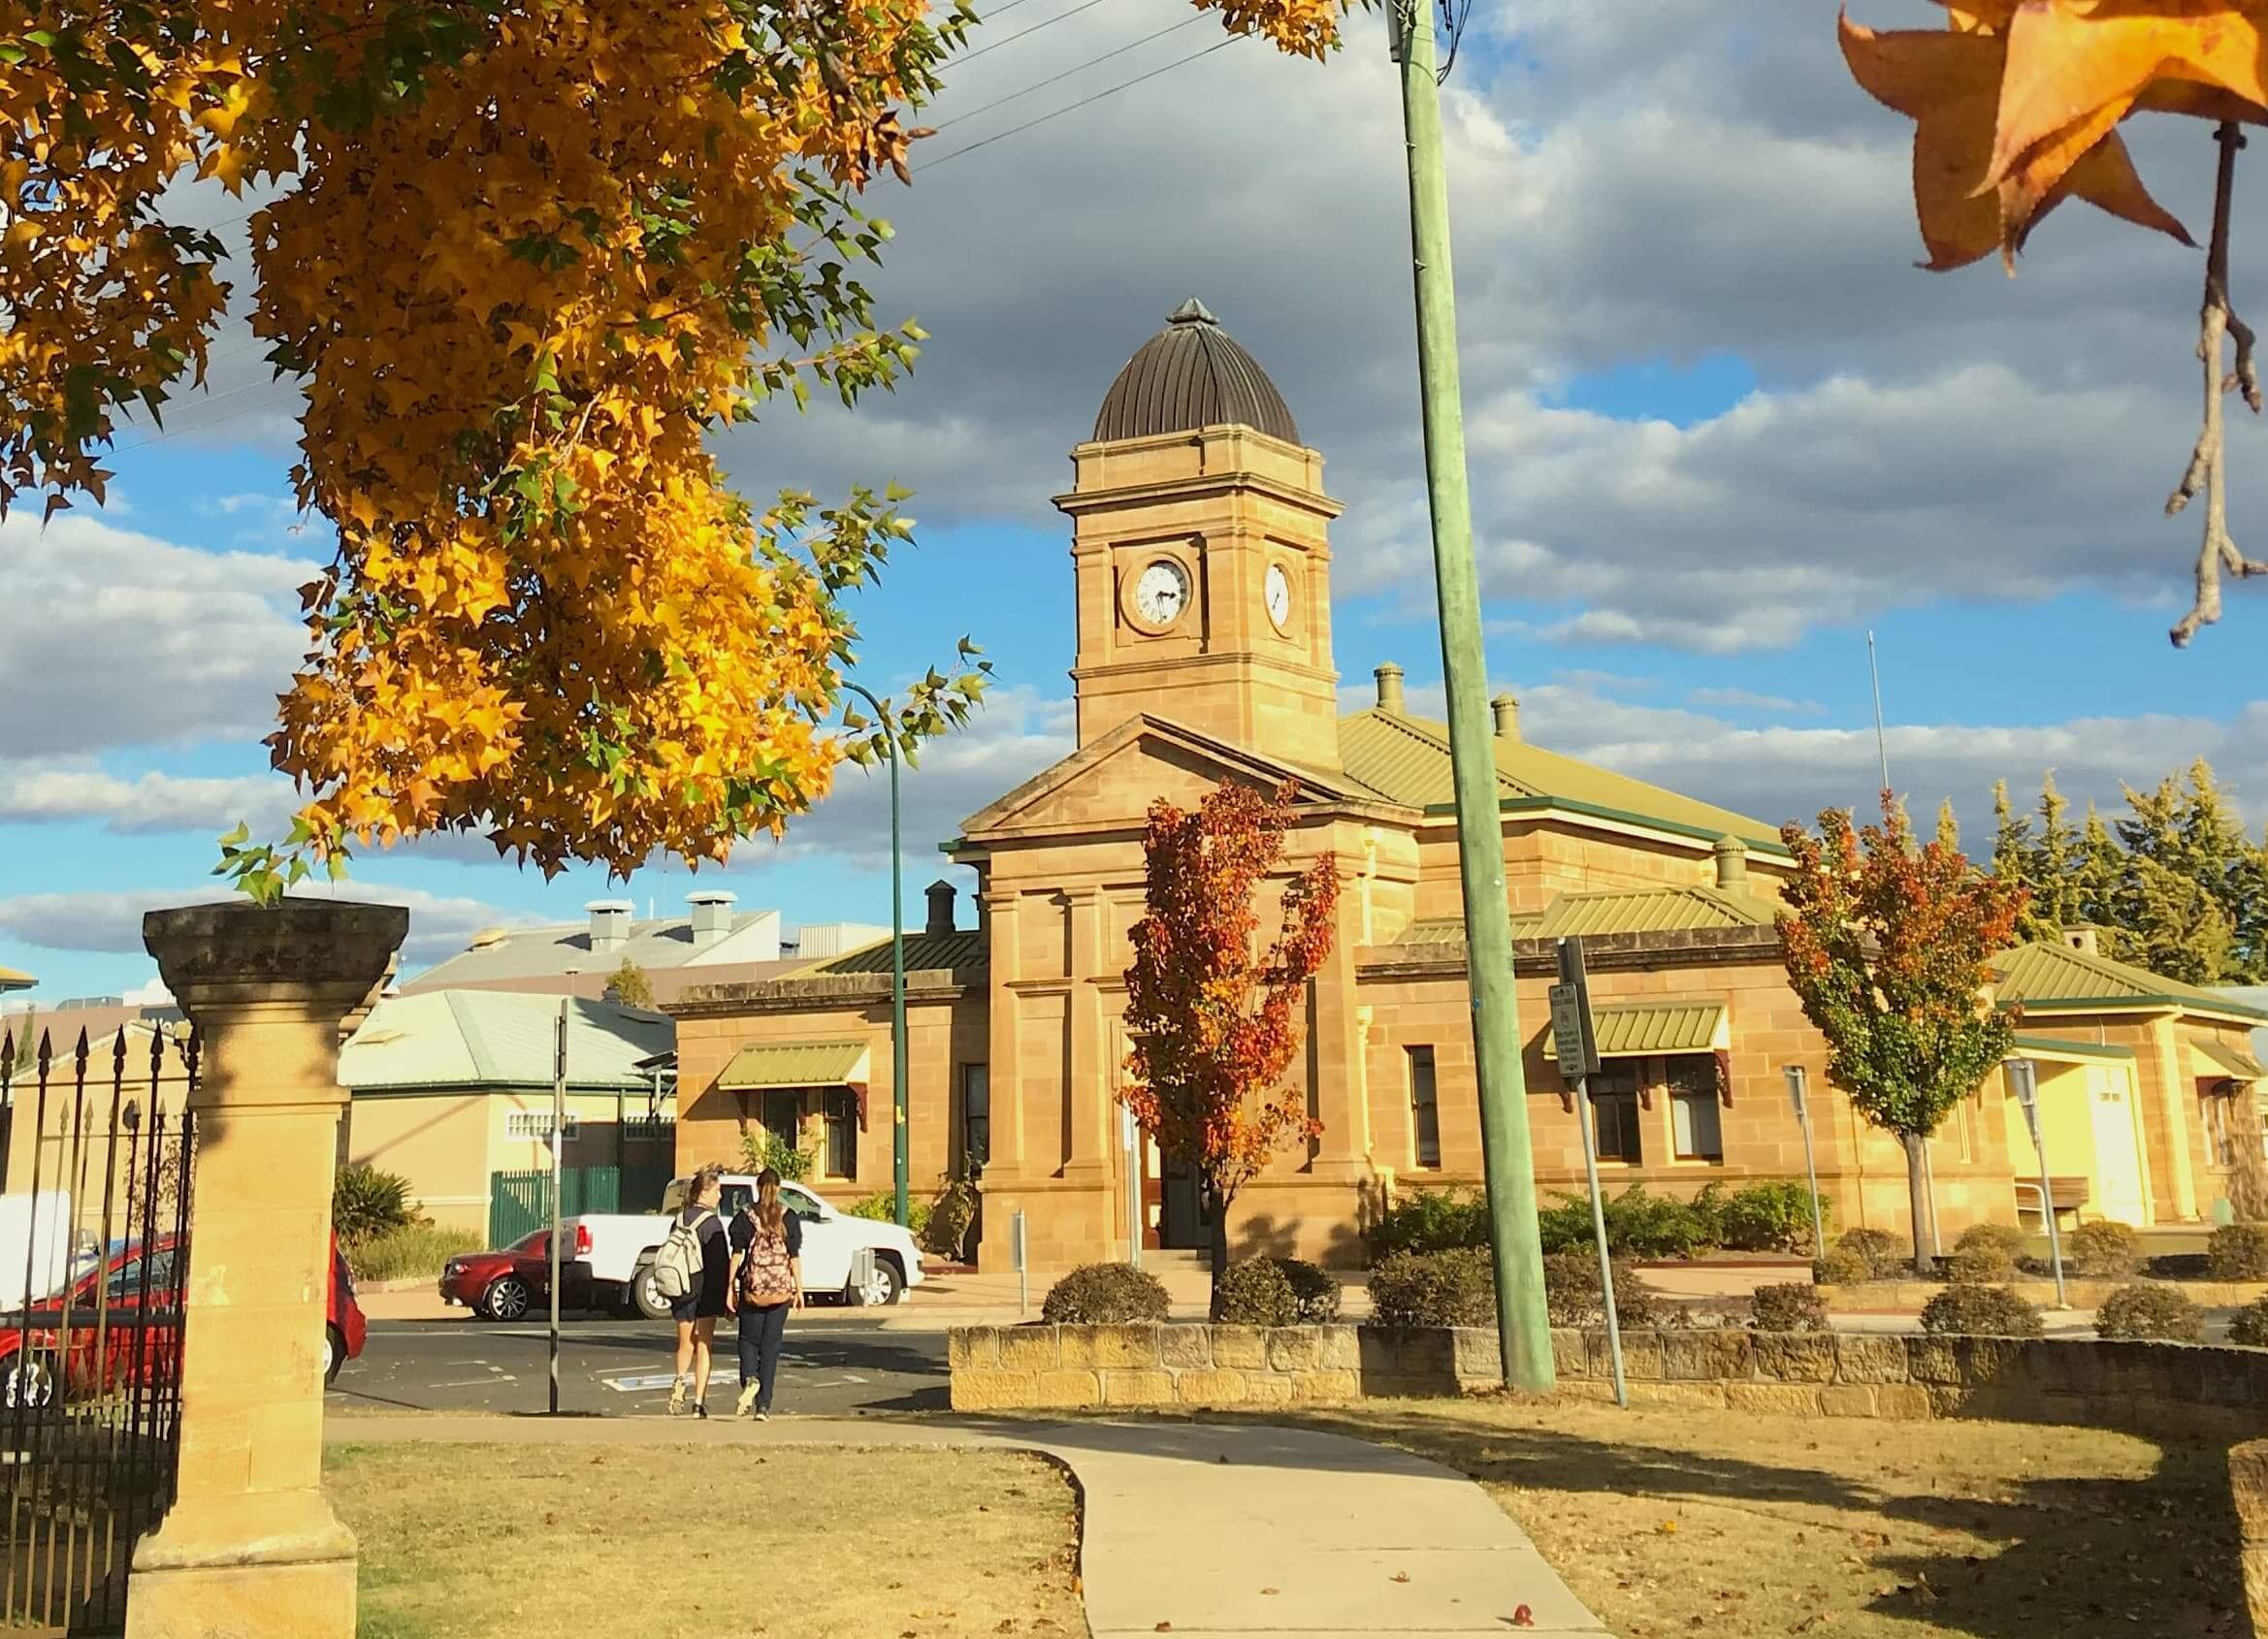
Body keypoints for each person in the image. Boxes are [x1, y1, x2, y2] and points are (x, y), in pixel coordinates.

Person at [728, 1167, 803, 1420]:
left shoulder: (745, 1218)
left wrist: (730, 1288)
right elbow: (794, 1256)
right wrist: (799, 1289)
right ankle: (763, 1406)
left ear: (757, 1188)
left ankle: (750, 1377)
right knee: (771, 1347)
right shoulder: (788, 1217)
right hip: (780, 1293)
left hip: (753, 1291)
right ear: (779, 1188)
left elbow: (737, 1255)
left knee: (748, 1340)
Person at [666, 1165, 730, 1418]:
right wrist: (725, 1296)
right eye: (717, 1190)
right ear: (705, 1192)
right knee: (704, 1344)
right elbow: (719, 1263)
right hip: (704, 1290)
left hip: (681, 1288)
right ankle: (698, 1402)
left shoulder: (679, 1219)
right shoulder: (711, 1222)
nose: (720, 1196)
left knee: (684, 1344)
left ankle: (679, 1383)